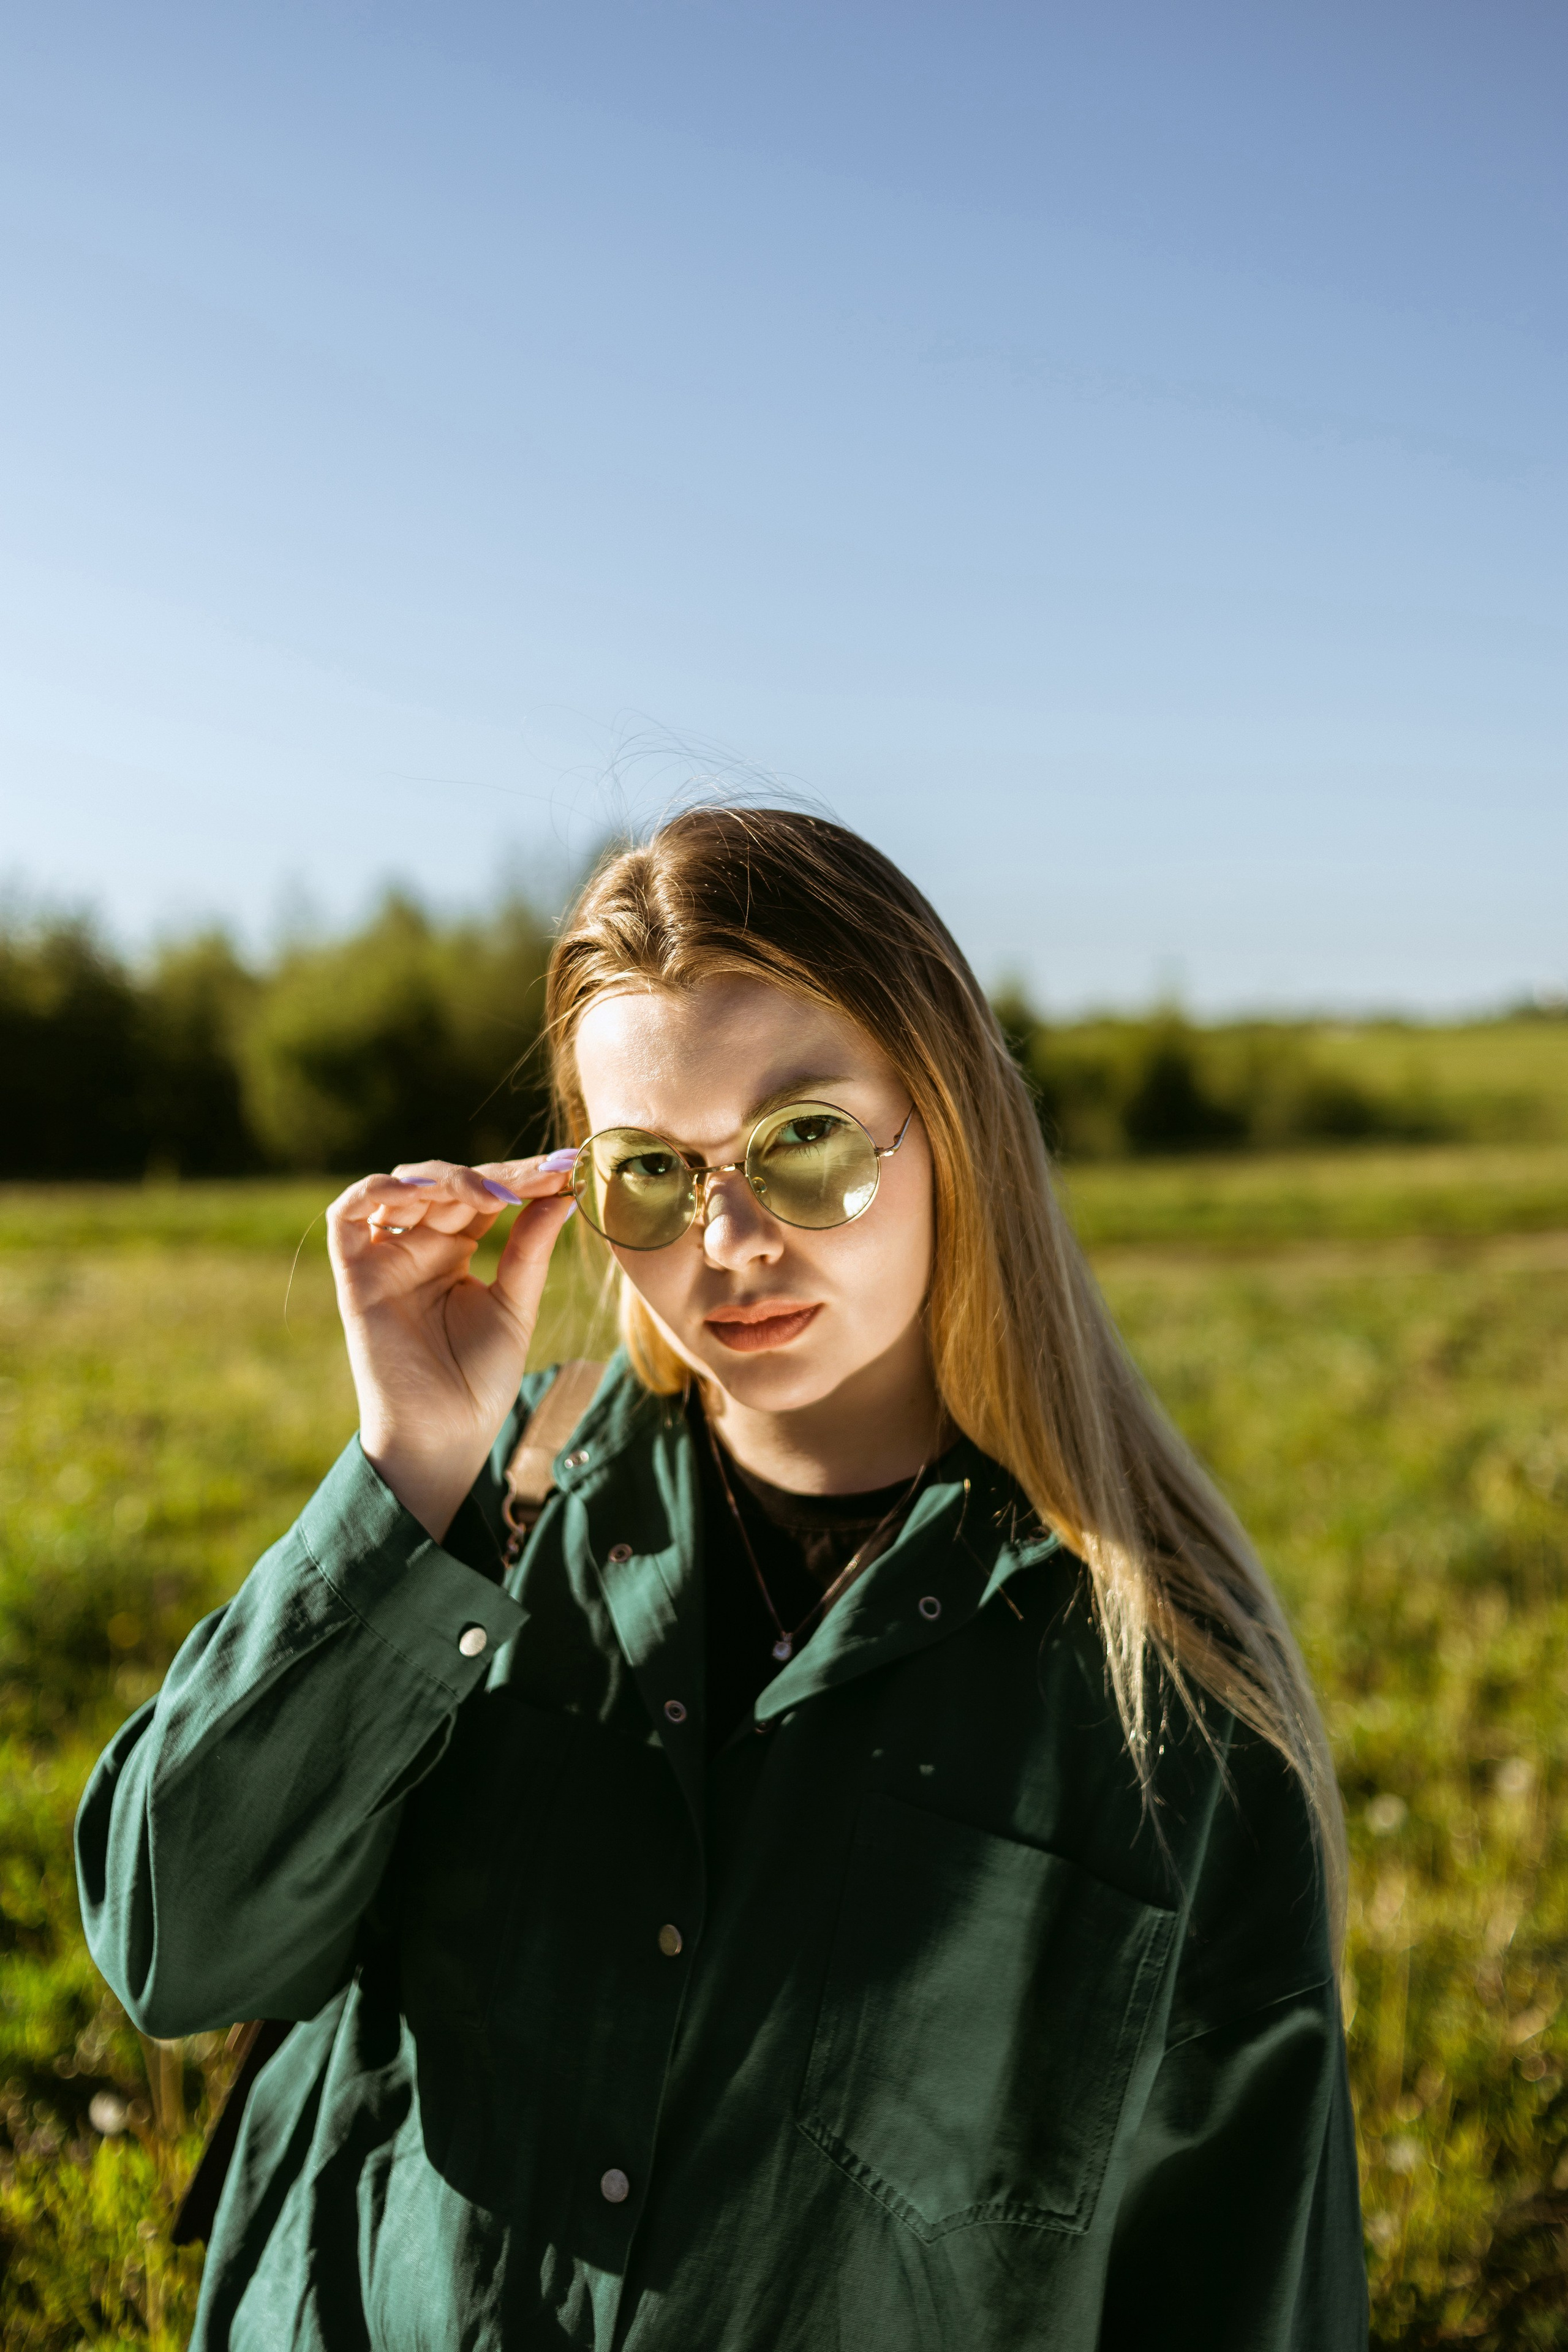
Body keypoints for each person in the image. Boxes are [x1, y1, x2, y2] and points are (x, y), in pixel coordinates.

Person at [77, 807, 1367, 2350]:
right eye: (650, 1174)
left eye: (802, 1142)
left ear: (946, 1122)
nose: (730, 1237)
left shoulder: (1174, 1707)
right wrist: (409, 1463)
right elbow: (177, 1948)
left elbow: (1244, 2287)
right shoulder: (480, 1522)